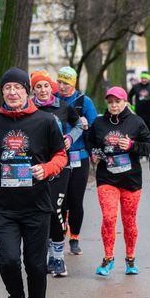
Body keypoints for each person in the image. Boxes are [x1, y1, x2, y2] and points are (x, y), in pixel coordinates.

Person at [0, 68, 67, 298]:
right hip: (4, 207)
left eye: (17, 87)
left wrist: (46, 169)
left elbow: (61, 156)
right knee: (8, 260)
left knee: (35, 264)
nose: (12, 92)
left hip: (37, 205)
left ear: (27, 91)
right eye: (7, 88)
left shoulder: (45, 121)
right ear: (2, 92)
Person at [87, 87, 150, 275]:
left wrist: (132, 145)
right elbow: (90, 142)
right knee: (109, 218)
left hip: (131, 180)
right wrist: (94, 154)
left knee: (129, 221)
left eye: (118, 101)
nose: (114, 105)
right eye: (110, 102)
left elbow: (149, 146)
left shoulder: (136, 122)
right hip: (107, 178)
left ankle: (130, 259)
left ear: (125, 102)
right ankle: (108, 258)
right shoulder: (99, 122)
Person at [30, 69, 83, 277]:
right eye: (38, 86)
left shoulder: (63, 106)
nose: (43, 90)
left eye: (46, 85)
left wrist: (70, 138)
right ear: (33, 90)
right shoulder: (29, 108)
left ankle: (58, 257)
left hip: (61, 164)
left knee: (55, 209)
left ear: (51, 87)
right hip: (36, 166)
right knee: (39, 211)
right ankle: (45, 255)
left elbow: (78, 124)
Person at [55, 66, 98, 255]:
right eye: (59, 82)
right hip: (57, 157)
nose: (62, 86)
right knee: (61, 201)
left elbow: (96, 126)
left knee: (75, 200)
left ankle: (75, 238)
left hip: (79, 156)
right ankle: (60, 234)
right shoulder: (53, 99)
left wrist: (87, 125)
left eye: (66, 83)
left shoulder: (83, 101)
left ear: (73, 83)